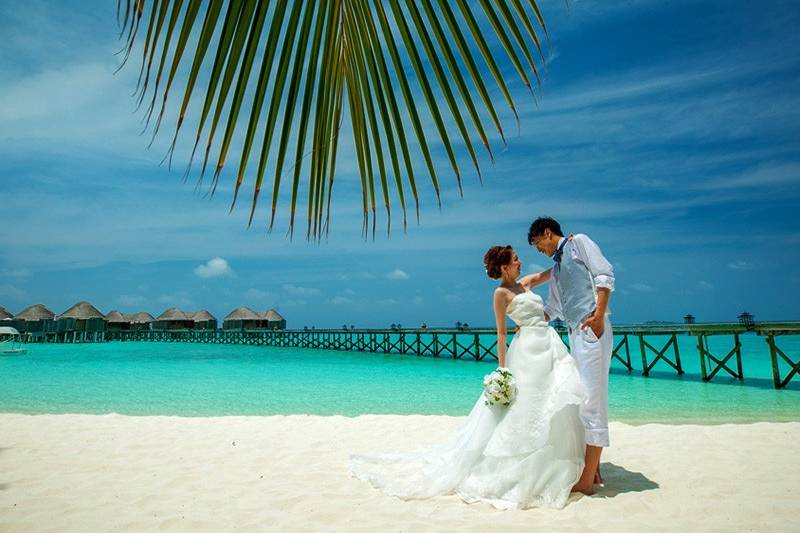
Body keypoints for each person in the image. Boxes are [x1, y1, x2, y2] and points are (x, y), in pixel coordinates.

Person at [350, 246, 586, 509]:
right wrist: (502, 370)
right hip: (526, 351)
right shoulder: (501, 293)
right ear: (505, 267)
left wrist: (568, 248)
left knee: (552, 398)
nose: (520, 262)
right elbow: (500, 334)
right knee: (526, 405)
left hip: (548, 344)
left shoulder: (526, 283)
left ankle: (554, 461)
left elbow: (552, 273)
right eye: (515, 259)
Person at [528, 217, 614, 495]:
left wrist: (600, 315)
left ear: (547, 232)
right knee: (579, 397)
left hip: (592, 327)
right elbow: (554, 308)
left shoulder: (579, 244)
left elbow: (604, 274)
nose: (538, 249)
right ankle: (594, 468)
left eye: (537, 243)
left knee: (592, 401)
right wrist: (530, 324)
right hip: (574, 333)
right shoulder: (556, 268)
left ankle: (587, 480)